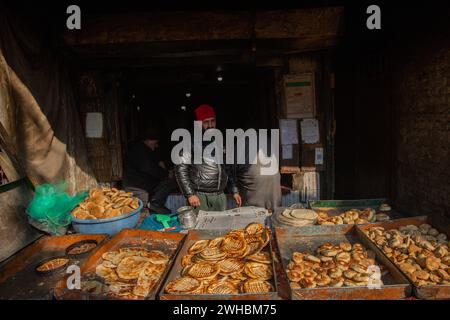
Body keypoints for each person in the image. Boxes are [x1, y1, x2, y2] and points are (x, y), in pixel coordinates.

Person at [174, 104, 241, 212]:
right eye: (206, 122)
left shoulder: (220, 140)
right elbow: (180, 169)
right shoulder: (189, 141)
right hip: (200, 197)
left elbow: (227, 167)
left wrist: (234, 190)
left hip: (220, 196)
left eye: (212, 121)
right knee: (199, 228)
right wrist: (190, 194)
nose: (210, 125)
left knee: (221, 228)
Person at [122, 130, 176, 214]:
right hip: (137, 187)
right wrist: (166, 174)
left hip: (141, 186)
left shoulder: (144, 149)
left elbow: (154, 165)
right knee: (142, 212)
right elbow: (148, 168)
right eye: (155, 143)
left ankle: (154, 204)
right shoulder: (139, 150)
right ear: (148, 140)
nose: (156, 146)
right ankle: (154, 204)